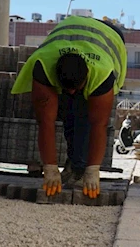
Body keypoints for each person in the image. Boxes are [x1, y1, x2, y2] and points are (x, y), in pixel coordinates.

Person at [12, 16, 126, 199]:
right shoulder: (43, 64)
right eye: (67, 89)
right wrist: (49, 167)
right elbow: (45, 122)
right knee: (68, 111)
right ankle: (74, 163)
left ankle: (79, 168)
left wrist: (93, 170)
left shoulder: (102, 73)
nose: (72, 92)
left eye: (77, 88)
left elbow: (100, 125)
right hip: (72, 31)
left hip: (110, 35)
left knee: (83, 113)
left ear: (87, 76)